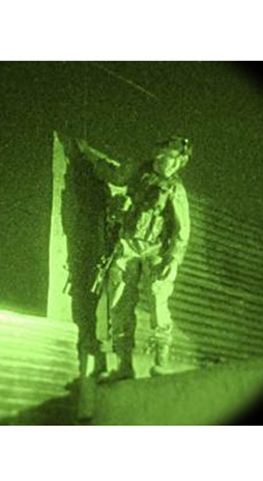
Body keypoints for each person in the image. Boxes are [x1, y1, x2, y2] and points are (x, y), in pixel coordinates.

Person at [78, 136, 192, 379]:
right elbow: (113, 175)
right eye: (164, 157)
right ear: (157, 155)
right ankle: (124, 365)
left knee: (158, 301)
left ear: (179, 162)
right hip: (127, 245)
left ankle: (161, 362)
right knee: (119, 304)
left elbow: (182, 230)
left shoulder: (176, 189)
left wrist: (173, 260)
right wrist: (88, 154)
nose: (167, 163)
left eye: (174, 160)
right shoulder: (137, 171)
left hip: (157, 250)